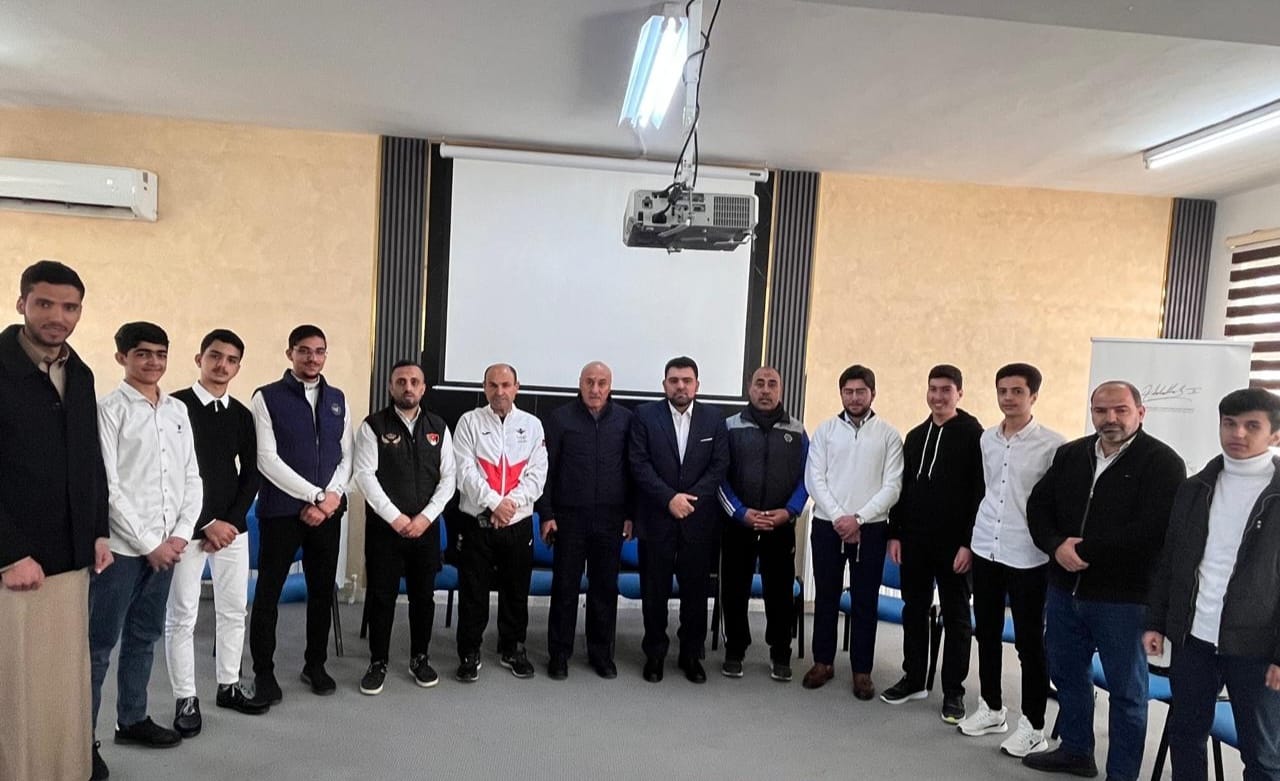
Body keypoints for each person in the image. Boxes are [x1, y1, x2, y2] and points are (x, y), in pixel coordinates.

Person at [1025, 380, 1185, 781]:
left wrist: (1083, 551)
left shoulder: (1163, 463)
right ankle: (1076, 751)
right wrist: (1055, 545)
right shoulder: (1071, 454)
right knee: (1067, 674)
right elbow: (1038, 506)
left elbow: (1152, 530)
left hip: (1123, 600)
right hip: (1064, 591)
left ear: (1140, 413)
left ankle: (1122, 774)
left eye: (1120, 410)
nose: (1110, 418)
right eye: (1101, 410)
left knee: (1127, 693)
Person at [0, 260, 112, 781]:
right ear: (22, 303)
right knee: (14, 686)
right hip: (14, 564)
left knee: (60, 681)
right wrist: (8, 554)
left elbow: (90, 460)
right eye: (45, 303)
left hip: (70, 558)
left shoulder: (80, 373)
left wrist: (98, 531)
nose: (57, 316)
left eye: (70, 307)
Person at [1145, 388, 1280, 781]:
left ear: (1274, 434)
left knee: (1262, 755)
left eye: (1251, 426)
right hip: (1195, 639)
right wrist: (1156, 621)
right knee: (1186, 736)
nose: (1237, 433)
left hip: (1256, 647)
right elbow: (1171, 559)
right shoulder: (1196, 487)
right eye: (1229, 424)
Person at [92, 322, 202, 764]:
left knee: (144, 635)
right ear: (122, 357)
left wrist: (179, 535)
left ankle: (132, 720)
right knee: (99, 646)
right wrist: (148, 543)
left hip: (167, 549)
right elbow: (108, 486)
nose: (153, 362)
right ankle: (81, 742)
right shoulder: (109, 410)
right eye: (142, 353)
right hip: (122, 550)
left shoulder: (177, 410)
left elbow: (191, 476)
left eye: (160, 353)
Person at [163, 329, 268, 740]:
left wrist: (231, 522)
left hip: (231, 531)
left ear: (238, 367)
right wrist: (206, 522)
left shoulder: (241, 415)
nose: (222, 365)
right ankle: (185, 698)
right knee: (183, 615)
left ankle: (229, 685)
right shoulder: (174, 407)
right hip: (186, 530)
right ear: (199, 359)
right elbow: (168, 473)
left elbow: (252, 473)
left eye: (231, 359)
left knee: (233, 610)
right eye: (215, 356)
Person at [956, 363, 1064, 758]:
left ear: (1033, 395)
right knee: (985, 632)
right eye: (1002, 391)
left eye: (1017, 391)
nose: (1008, 398)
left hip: (1028, 554)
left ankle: (1033, 726)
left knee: (1029, 643)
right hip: (987, 545)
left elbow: (1057, 504)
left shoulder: (1053, 445)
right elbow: (985, 490)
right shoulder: (987, 439)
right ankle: (991, 708)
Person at [249, 324, 353, 701]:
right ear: (290, 353)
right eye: (304, 350)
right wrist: (315, 495)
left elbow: (346, 455)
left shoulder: (337, 399)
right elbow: (266, 459)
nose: (312, 358)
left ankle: (315, 664)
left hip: (327, 514)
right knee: (268, 593)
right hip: (280, 513)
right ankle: (264, 672)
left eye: (319, 351)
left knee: (321, 591)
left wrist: (331, 498)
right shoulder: (266, 397)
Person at [883, 364, 983, 723]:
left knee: (956, 617)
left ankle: (953, 691)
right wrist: (895, 533)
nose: (938, 396)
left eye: (946, 390)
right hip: (914, 543)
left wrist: (968, 544)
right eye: (933, 389)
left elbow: (980, 494)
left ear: (960, 393)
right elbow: (902, 489)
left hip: (955, 547)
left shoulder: (975, 437)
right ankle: (914, 678)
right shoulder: (914, 436)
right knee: (914, 610)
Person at [353, 360, 456, 694]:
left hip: (425, 529)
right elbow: (365, 476)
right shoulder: (373, 426)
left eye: (414, 381)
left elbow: (449, 479)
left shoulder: (438, 426)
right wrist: (396, 518)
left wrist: (425, 518)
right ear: (390, 387)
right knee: (381, 596)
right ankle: (378, 662)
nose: (408, 387)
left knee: (423, 598)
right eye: (401, 381)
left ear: (423, 388)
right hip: (385, 530)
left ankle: (419, 658)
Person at [803, 364, 903, 700]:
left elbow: (893, 486)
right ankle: (823, 662)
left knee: (865, 601)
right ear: (841, 394)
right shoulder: (826, 431)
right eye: (849, 391)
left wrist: (858, 519)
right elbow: (814, 479)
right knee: (826, 597)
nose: (855, 397)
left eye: (861, 391)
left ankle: (862, 671)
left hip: (871, 529)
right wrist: (840, 519)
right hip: (828, 526)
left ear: (873, 394)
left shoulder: (888, 435)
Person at [629, 356, 730, 684]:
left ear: (697, 385)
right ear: (665, 385)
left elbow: (719, 465)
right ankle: (655, 654)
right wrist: (669, 498)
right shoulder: (645, 416)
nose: (680, 386)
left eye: (687, 381)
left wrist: (689, 500)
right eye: (674, 381)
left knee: (695, 593)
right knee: (654, 591)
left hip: (698, 520)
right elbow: (639, 463)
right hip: (657, 517)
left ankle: (691, 654)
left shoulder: (715, 419)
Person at [538, 361, 633, 680]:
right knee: (564, 587)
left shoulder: (625, 420)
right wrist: (547, 514)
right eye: (589, 382)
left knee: (605, 588)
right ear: (579, 383)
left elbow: (632, 471)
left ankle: (601, 654)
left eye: (602, 383)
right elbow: (546, 471)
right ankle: (559, 654)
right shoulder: (560, 418)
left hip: (611, 518)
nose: (595, 389)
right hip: (569, 518)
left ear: (610, 386)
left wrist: (630, 514)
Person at [452, 363, 548, 682]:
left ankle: (512, 649)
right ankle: (469, 652)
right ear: (484, 388)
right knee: (473, 592)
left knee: (516, 591)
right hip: (476, 521)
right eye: (493, 385)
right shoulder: (468, 422)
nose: (499, 391)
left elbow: (537, 475)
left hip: (518, 523)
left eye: (506, 385)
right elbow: (464, 472)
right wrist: (494, 503)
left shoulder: (532, 425)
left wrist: (509, 506)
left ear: (517, 388)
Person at [717, 366, 808, 682]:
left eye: (772, 384)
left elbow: (808, 477)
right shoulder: (730, 427)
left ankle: (780, 652)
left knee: (780, 591)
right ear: (749, 388)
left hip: (780, 524)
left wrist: (790, 511)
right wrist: (740, 512)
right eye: (760, 384)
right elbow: (718, 475)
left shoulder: (797, 431)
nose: (766, 390)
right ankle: (735, 650)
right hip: (739, 523)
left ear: (780, 389)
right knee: (734, 588)